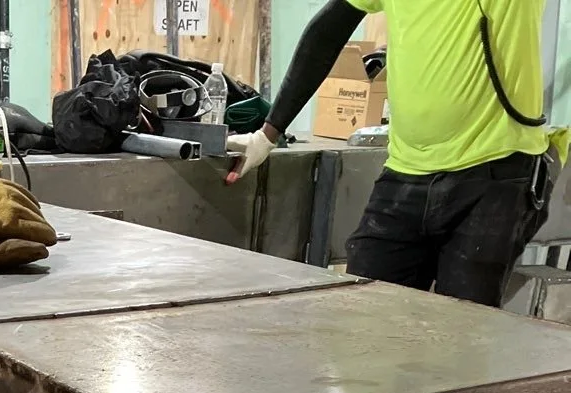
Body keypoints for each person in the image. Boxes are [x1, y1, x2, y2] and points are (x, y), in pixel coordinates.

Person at [225, 0, 565, 306]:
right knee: (366, 316)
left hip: (494, 172)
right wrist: (266, 135)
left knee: (461, 331)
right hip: (405, 173)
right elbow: (327, 30)